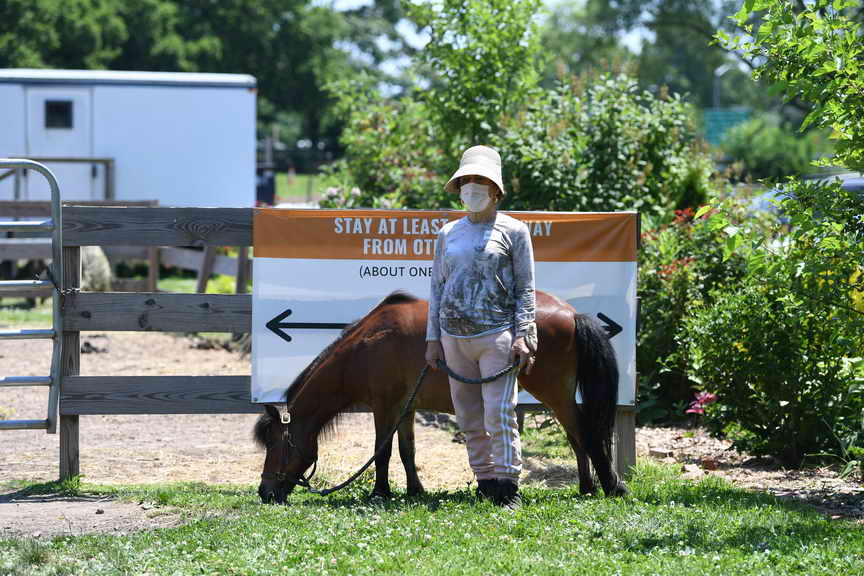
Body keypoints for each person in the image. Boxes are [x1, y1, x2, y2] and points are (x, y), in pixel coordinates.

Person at [425, 145, 537, 508]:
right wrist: (432, 339)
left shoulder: (514, 231)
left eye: (480, 180)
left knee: (499, 412)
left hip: (497, 334)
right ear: (458, 188)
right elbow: (437, 287)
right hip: (453, 336)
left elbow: (525, 287)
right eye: (466, 180)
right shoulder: (448, 233)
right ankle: (485, 480)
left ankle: (508, 484)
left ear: (496, 190)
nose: (472, 187)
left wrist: (525, 336)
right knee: (468, 415)